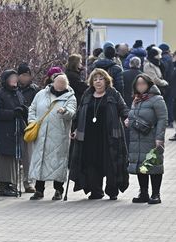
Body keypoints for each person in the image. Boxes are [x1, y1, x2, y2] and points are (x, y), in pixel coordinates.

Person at [70, 68, 129, 200]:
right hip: (90, 136)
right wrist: (74, 129)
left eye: (100, 79)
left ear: (106, 81)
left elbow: (123, 108)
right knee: (91, 162)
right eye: (95, 79)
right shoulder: (87, 95)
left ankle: (112, 190)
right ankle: (96, 190)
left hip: (109, 135)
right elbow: (79, 114)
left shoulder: (113, 94)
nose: (98, 82)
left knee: (111, 162)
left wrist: (126, 117)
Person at [29, 74, 77, 201]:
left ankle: (58, 190)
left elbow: (72, 113)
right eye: (58, 82)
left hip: (59, 136)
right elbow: (32, 109)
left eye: (63, 83)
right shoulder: (41, 94)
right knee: (40, 160)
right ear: (53, 82)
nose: (60, 85)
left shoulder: (70, 97)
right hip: (41, 134)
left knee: (58, 162)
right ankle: (39, 190)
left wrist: (64, 112)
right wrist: (32, 122)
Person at [127, 74, 167, 204]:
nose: (140, 86)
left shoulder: (157, 99)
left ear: (149, 84)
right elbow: (133, 114)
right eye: (138, 84)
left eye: (143, 84)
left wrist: (159, 137)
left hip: (151, 137)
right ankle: (143, 192)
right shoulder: (136, 99)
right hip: (137, 137)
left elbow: (162, 118)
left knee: (154, 164)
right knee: (140, 164)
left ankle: (156, 194)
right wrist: (129, 120)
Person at [0, 69, 27, 196]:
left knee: (13, 158)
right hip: (4, 131)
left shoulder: (18, 93)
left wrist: (23, 111)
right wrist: (13, 113)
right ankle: (4, 185)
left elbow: (21, 108)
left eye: (15, 78)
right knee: (5, 158)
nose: (14, 80)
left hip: (16, 131)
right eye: (11, 78)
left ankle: (10, 184)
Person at [17, 63, 40, 193]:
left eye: (28, 75)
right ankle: (13, 182)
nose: (26, 78)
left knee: (29, 156)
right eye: (23, 75)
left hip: (30, 125)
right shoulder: (14, 89)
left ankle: (29, 182)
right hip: (16, 124)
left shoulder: (35, 90)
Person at [159, 43, 174, 128]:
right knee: (170, 103)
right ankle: (170, 121)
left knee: (166, 103)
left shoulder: (164, 59)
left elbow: (165, 71)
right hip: (171, 83)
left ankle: (168, 121)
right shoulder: (170, 58)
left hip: (166, 83)